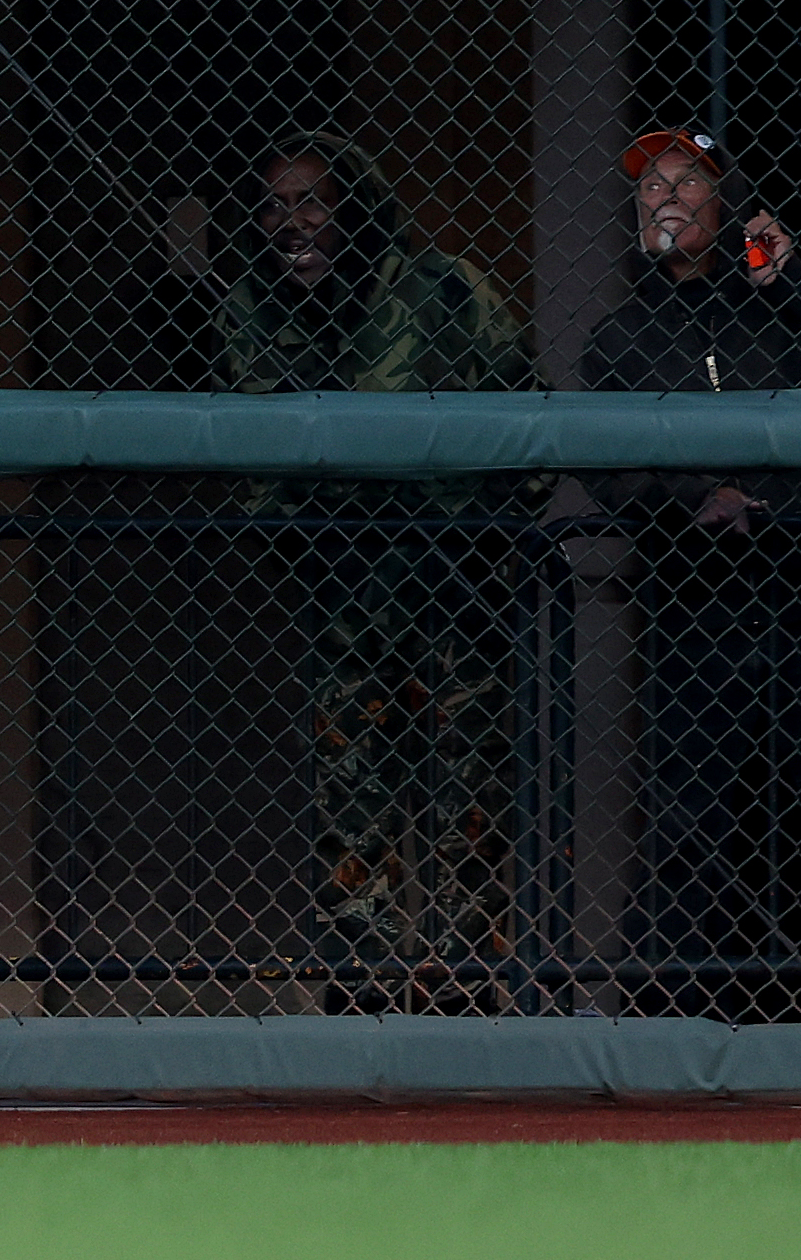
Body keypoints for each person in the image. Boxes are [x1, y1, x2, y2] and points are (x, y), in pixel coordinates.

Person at [213, 130, 535, 1008]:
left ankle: (467, 982)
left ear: (355, 207)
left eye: (313, 199)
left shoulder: (443, 287)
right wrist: (305, 527)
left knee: (467, 791)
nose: (294, 221)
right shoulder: (249, 307)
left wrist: (482, 527)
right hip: (345, 587)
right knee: (351, 800)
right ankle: (362, 984)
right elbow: (255, 460)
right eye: (275, 204)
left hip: (457, 582)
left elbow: (524, 406)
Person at [580, 128, 801, 1005]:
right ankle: (655, 1014)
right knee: (686, 814)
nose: (660, 197)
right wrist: (696, 493)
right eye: (646, 187)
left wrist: (791, 280)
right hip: (694, 606)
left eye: (682, 183)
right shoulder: (621, 336)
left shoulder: (776, 305)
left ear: (726, 204)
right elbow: (607, 463)